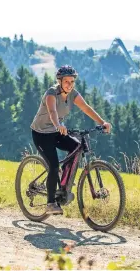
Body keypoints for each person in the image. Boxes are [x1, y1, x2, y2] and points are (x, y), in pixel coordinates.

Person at [30, 65, 112, 215]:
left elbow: (86, 108)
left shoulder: (73, 94)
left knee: (76, 146)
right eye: (66, 81)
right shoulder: (51, 93)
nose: (70, 84)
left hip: (56, 132)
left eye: (72, 81)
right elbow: (52, 111)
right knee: (54, 166)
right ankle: (50, 203)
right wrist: (58, 125)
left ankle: (64, 182)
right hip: (41, 134)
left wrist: (102, 122)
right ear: (60, 81)